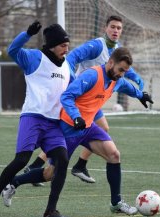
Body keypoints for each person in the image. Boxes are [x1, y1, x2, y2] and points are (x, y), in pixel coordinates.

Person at [7, 47, 153, 216]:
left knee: (114, 155)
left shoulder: (116, 79)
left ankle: (116, 203)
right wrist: (76, 117)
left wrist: (140, 95)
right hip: (69, 127)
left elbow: (126, 86)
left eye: (125, 71)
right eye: (121, 70)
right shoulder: (91, 75)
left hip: (88, 127)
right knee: (49, 174)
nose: (122, 74)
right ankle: (14, 182)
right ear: (110, 62)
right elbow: (67, 96)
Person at [25, 15, 145, 185]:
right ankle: (48, 167)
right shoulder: (97, 46)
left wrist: (136, 79)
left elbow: (123, 70)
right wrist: (72, 78)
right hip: (80, 96)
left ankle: (73, 165)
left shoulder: (117, 49)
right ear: (105, 28)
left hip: (93, 98)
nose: (115, 30)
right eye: (112, 27)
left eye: (119, 28)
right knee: (68, 135)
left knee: (96, 130)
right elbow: (72, 57)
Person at [0, 21, 75, 217]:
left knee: (63, 159)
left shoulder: (67, 65)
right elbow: (12, 50)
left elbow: (73, 90)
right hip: (33, 117)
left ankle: (50, 211)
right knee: (21, 160)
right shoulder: (34, 58)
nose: (67, 49)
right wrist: (27, 34)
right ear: (52, 46)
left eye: (67, 45)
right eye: (63, 45)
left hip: (53, 124)